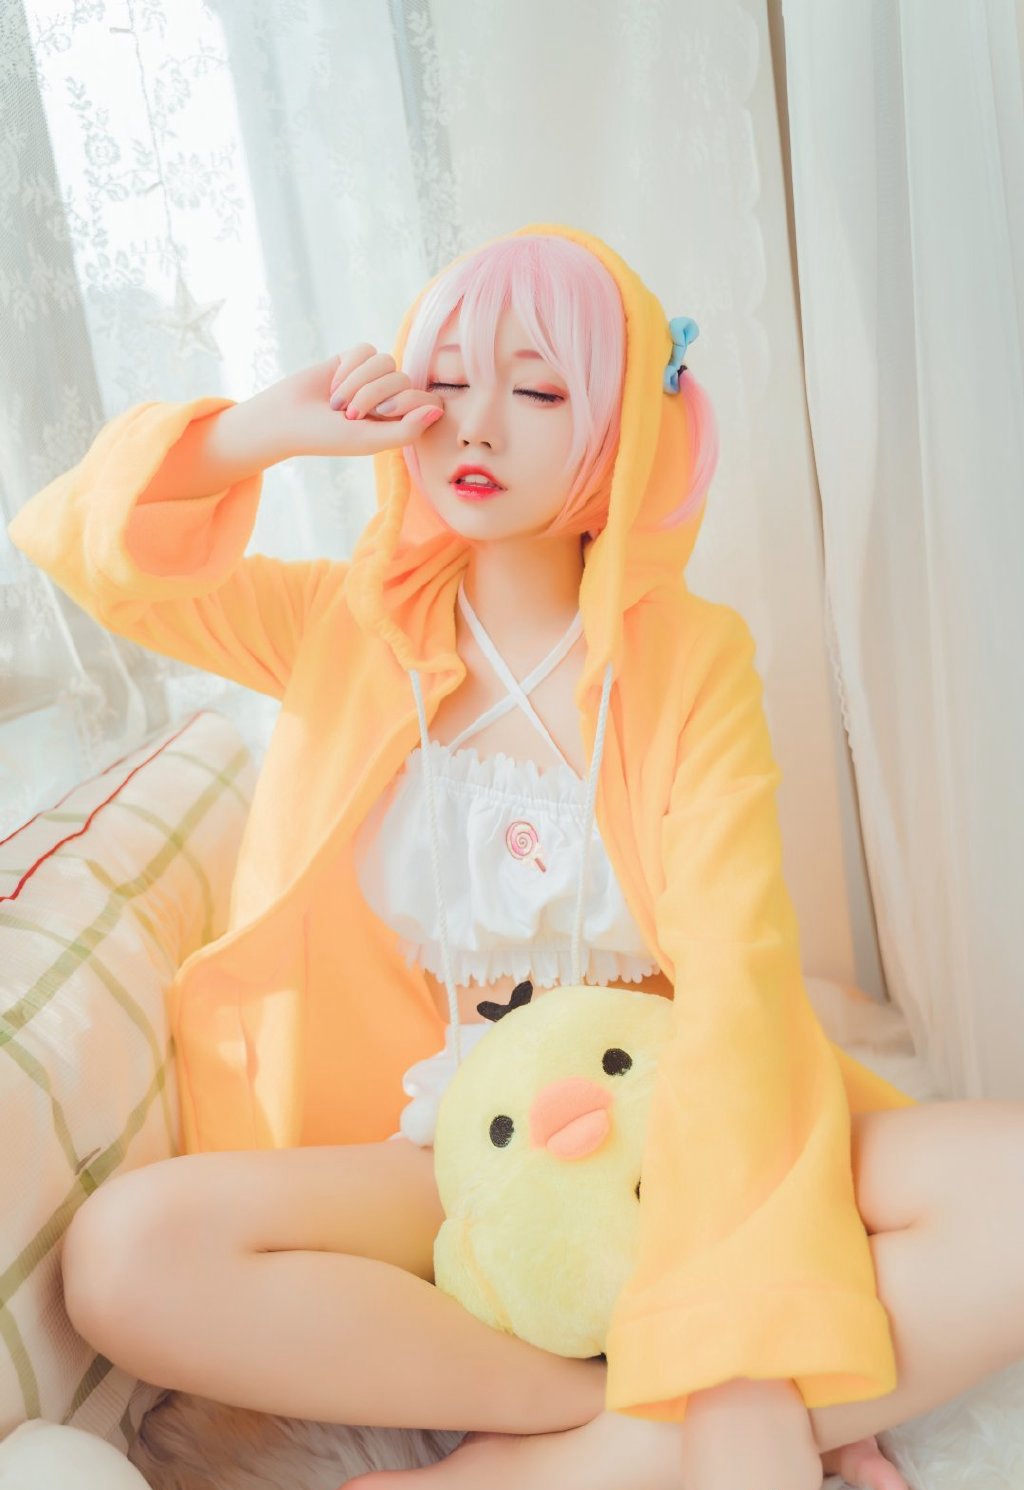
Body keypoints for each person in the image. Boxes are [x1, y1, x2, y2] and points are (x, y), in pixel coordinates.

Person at [11, 224, 1023, 1490]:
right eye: (444, 382)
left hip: (664, 1125)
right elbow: (77, 545)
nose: (474, 426)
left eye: (537, 390)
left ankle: (561, 1463)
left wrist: (730, 1267)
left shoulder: (690, 658)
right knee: (122, 1253)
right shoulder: (340, 622)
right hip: (431, 1152)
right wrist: (261, 430)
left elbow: (738, 971)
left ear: (615, 429)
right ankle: (589, 1413)